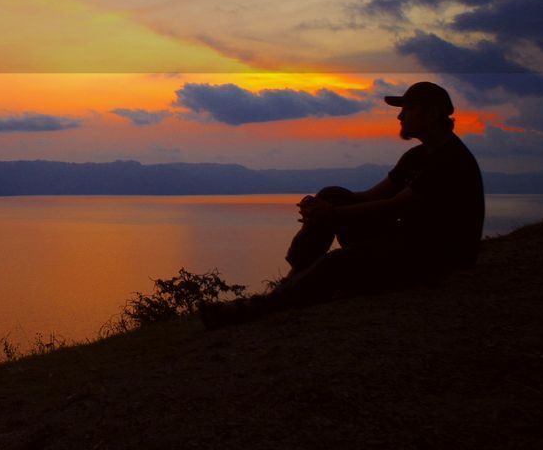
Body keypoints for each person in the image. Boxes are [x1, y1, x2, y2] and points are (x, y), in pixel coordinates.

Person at [201, 81, 484, 328]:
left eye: (407, 109)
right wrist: (323, 207)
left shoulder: (449, 160)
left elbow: (395, 207)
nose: (399, 115)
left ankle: (257, 307)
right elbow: (372, 197)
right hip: (406, 241)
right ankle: (295, 276)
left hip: (438, 255)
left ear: (431, 113)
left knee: (335, 262)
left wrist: (332, 215)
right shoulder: (416, 157)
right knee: (332, 193)